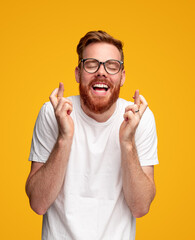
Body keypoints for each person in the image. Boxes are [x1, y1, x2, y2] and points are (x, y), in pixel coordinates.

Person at [26, 30, 158, 240]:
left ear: (122, 76)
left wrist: (127, 143)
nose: (101, 72)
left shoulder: (139, 118)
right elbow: (38, 204)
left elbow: (140, 207)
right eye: (91, 64)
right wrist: (64, 138)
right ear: (78, 73)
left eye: (111, 65)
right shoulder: (53, 113)